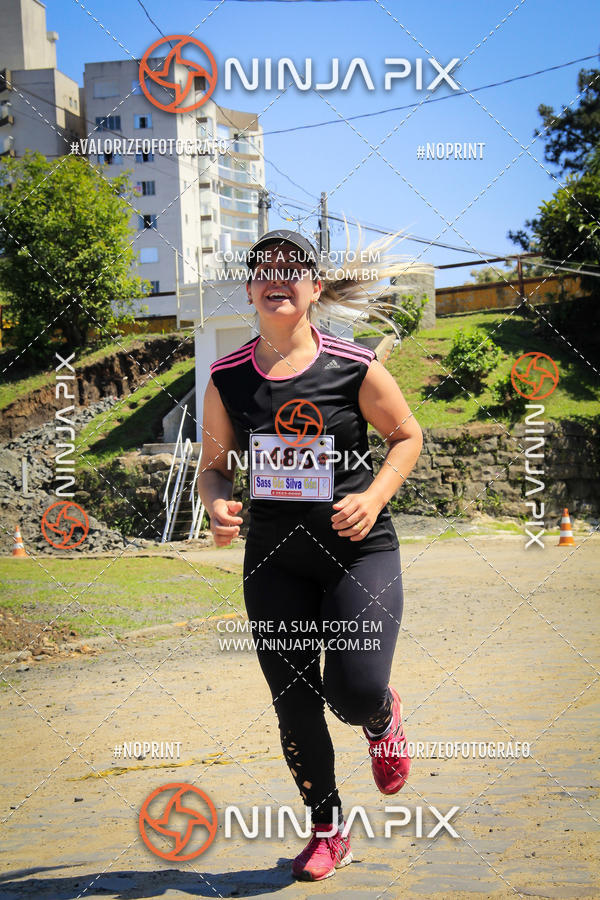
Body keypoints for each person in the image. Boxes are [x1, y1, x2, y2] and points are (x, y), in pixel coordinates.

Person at [198, 228, 423, 881]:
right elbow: (215, 470)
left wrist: (376, 497)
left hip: (358, 554)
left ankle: (381, 716)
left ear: (314, 288)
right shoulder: (229, 377)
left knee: (351, 694)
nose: (278, 275)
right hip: (275, 562)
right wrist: (217, 504)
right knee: (295, 701)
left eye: (292, 268)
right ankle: (328, 830)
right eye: (264, 267)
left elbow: (406, 436)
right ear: (250, 289)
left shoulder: (352, 364)